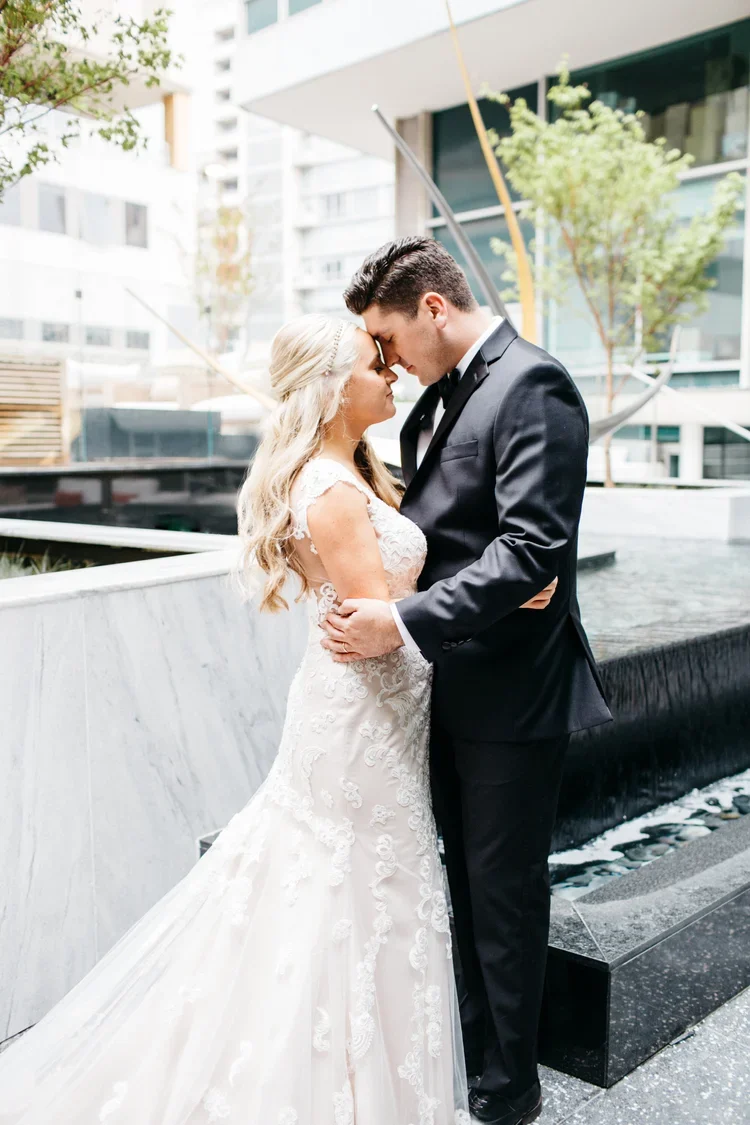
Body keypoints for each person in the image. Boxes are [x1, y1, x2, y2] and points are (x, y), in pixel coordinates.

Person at [0, 312, 556, 1125]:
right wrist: (506, 595)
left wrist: (482, 581)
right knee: (347, 898)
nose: (391, 372)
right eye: (376, 362)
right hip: (360, 723)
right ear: (334, 388)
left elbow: (402, 602)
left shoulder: (350, 469)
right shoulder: (328, 489)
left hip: (377, 721)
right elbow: (382, 623)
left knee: (363, 895)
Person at [321, 238, 613, 1125]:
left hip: (511, 699)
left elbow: (529, 548)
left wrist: (403, 618)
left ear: (434, 309)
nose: (387, 359)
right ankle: (468, 1063)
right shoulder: (438, 400)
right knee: (455, 886)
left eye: (388, 338)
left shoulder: (535, 385)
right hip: (437, 690)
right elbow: (450, 537)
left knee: (503, 896)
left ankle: (507, 1090)